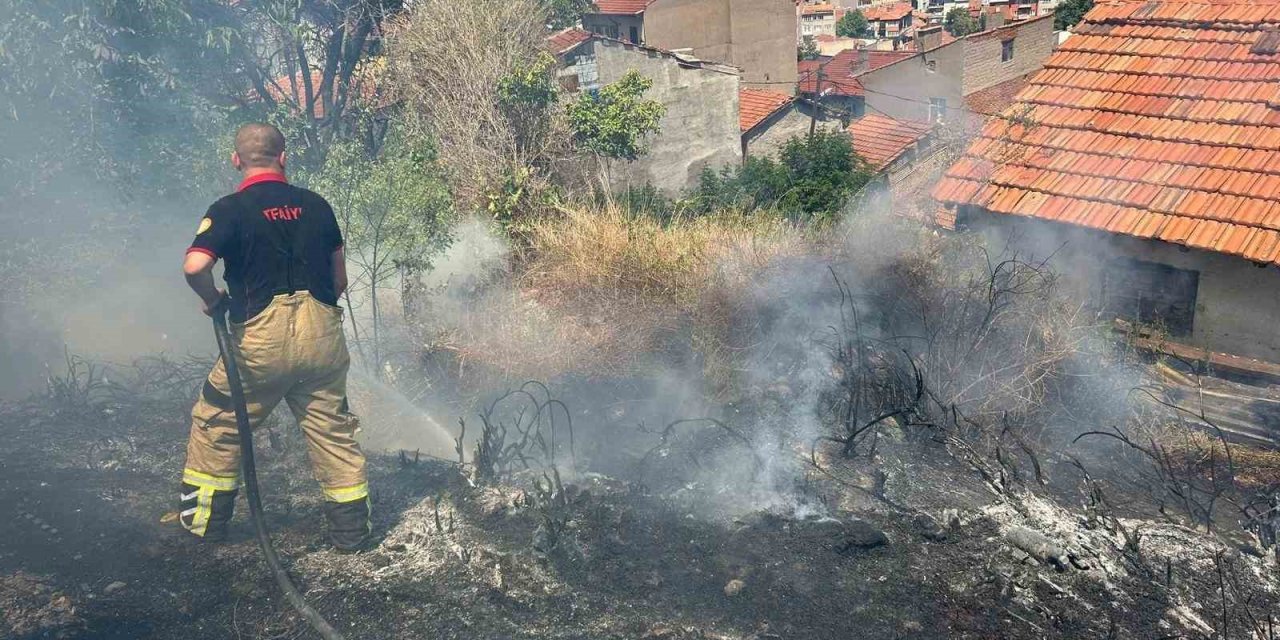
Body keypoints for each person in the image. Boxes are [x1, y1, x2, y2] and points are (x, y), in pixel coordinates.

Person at [177, 123, 370, 551]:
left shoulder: (229, 209)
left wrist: (212, 300)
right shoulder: (318, 206)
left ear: (236, 161)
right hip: (322, 338)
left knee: (218, 422)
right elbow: (338, 277)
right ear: (284, 157)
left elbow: (195, 267)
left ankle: (205, 526)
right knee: (333, 433)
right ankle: (352, 535)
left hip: (259, 347)